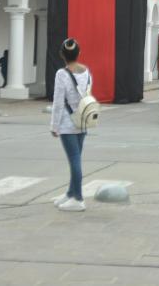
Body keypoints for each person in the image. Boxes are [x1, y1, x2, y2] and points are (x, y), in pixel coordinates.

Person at [51, 38, 92, 212]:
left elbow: (58, 102)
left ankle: (78, 199)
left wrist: (54, 125)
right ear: (79, 53)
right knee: (76, 159)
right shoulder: (86, 72)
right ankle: (70, 193)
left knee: (74, 160)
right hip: (83, 120)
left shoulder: (62, 74)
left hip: (68, 123)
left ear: (62, 55)